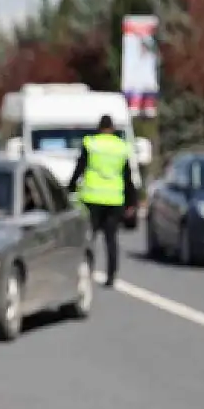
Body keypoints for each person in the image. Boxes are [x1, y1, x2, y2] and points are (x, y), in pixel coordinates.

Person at [68, 114, 138, 287]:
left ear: (99, 128)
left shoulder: (91, 144)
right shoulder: (121, 147)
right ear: (112, 128)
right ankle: (111, 275)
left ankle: (87, 273)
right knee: (111, 239)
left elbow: (80, 168)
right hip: (114, 200)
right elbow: (128, 177)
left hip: (92, 198)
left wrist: (69, 189)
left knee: (89, 238)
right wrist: (132, 202)